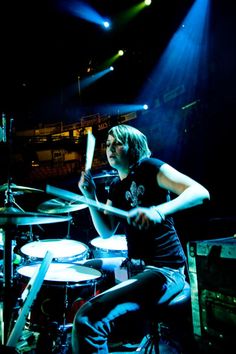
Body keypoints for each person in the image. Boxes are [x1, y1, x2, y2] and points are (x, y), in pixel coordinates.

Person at [72, 124, 210, 353]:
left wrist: (159, 211)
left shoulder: (149, 168)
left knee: (88, 319)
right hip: (136, 265)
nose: (110, 148)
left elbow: (199, 192)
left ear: (133, 146)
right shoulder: (116, 186)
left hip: (165, 270)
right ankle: (123, 334)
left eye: (117, 143)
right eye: (107, 144)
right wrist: (90, 196)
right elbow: (105, 231)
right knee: (89, 267)